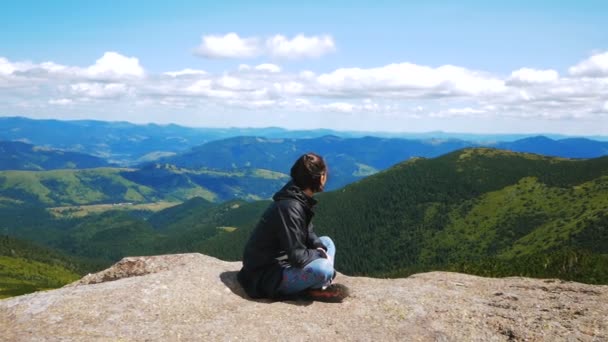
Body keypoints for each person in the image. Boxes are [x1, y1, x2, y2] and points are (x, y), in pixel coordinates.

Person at [237, 152, 348, 302]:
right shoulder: (290, 207)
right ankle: (313, 288)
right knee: (323, 269)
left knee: (327, 242)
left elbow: (307, 230)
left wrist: (318, 246)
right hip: (265, 275)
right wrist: (319, 255)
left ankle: (316, 282)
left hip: (282, 260)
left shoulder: (297, 196)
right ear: (321, 177)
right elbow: (297, 256)